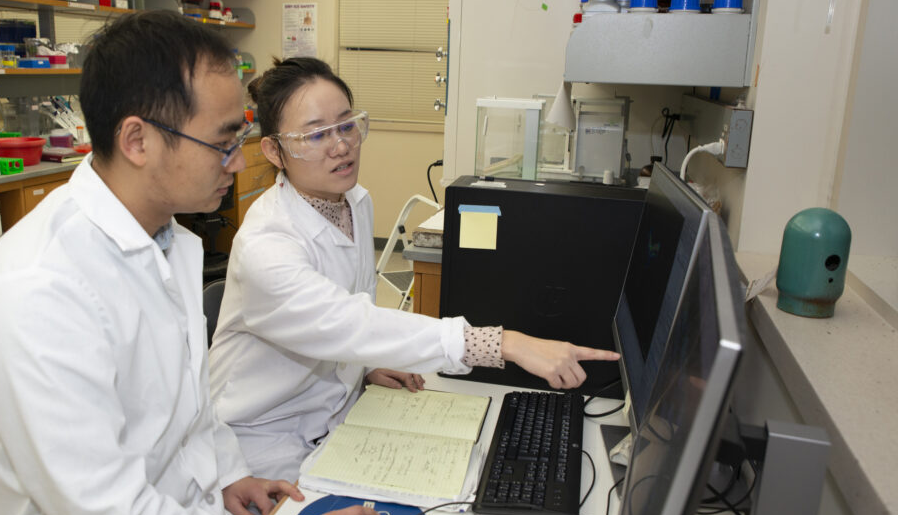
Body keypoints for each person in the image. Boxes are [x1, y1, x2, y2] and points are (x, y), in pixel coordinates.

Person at [0, 13, 392, 515]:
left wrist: (229, 474)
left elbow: (190, 404)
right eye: (221, 142)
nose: (238, 162)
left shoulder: (168, 238)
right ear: (138, 140)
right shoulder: (40, 288)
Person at [209, 57, 620, 482]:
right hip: (260, 449)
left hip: (336, 419)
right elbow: (345, 322)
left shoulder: (353, 202)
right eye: (315, 134)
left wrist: (365, 365)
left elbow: (351, 307)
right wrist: (504, 343)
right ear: (274, 150)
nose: (340, 146)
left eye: (347, 125)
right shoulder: (266, 245)